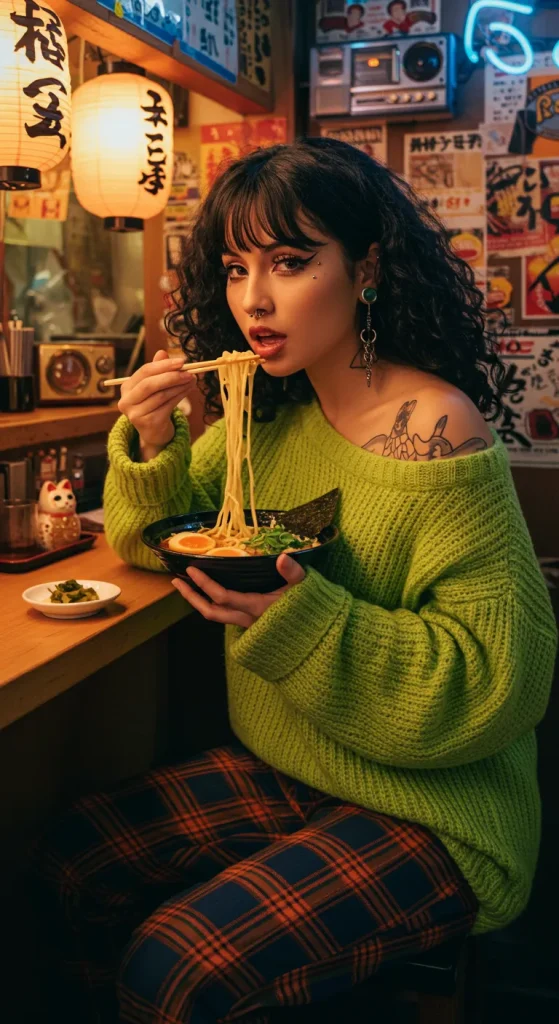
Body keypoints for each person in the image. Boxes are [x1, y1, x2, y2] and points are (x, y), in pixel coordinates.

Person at [33, 138, 557, 1024]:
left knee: (173, 971)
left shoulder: (438, 428)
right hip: (291, 762)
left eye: (289, 261)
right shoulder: (268, 418)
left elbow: (500, 682)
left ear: (367, 267)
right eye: (235, 268)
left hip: (435, 809)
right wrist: (156, 444)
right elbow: (142, 539)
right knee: (67, 863)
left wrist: (301, 617)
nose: (253, 300)